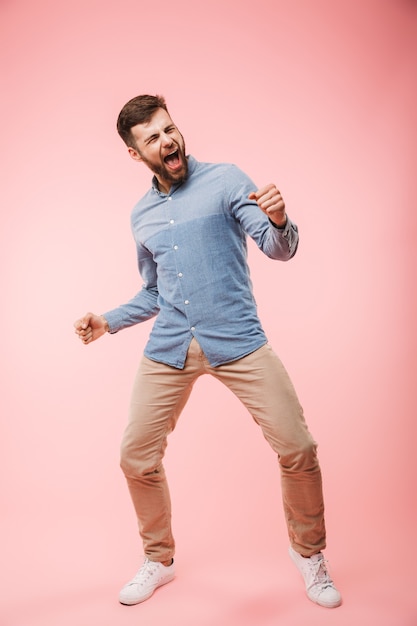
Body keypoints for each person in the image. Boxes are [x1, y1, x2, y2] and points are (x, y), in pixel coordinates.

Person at [74, 94, 342, 609]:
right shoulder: (142, 215)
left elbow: (276, 247)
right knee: (136, 456)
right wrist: (107, 321)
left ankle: (309, 555)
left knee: (298, 448)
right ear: (136, 154)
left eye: (168, 129)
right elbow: (155, 293)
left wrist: (281, 220)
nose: (167, 141)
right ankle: (160, 558)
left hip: (238, 340)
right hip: (170, 347)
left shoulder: (225, 179)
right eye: (151, 138)